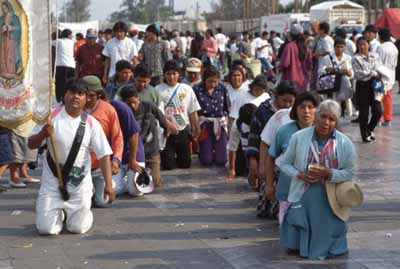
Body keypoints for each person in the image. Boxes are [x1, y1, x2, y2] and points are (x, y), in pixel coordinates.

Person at [28, 79, 115, 235]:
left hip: (80, 183)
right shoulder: (50, 117)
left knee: (77, 228)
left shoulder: (91, 123)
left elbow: (104, 155)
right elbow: (31, 144)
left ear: (86, 98)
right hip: (52, 184)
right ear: (64, 95)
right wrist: (42, 134)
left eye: (80, 94)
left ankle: (83, 213)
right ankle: (57, 213)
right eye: (72, 92)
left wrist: (109, 185)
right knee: (47, 229)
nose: (76, 97)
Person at [277, 100, 357, 260]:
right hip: (304, 191)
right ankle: (302, 248)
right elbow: (284, 163)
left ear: (336, 121)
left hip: (331, 196)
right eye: (323, 117)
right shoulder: (299, 137)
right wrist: (299, 175)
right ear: (316, 116)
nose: (326, 122)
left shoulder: (344, 143)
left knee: (329, 226)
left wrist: (329, 173)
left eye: (332, 119)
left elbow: (349, 172)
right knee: (300, 220)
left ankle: (327, 249)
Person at [262, 92, 319, 220]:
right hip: (288, 190)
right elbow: (271, 158)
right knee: (288, 232)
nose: (306, 111)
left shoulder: (324, 132)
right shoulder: (284, 131)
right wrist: (269, 184)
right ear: (295, 110)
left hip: (316, 193)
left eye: (310, 107)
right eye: (302, 107)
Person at [247, 81, 297, 192]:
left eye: (291, 102)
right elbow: (255, 137)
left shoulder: (296, 113)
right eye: (284, 101)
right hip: (266, 157)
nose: (287, 105)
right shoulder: (263, 110)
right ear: (276, 96)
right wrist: (255, 162)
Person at [82, 76, 123, 208]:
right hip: (79, 167)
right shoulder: (73, 109)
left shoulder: (108, 110)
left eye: (91, 96)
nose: (87, 99)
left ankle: (118, 183)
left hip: (99, 167)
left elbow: (117, 137)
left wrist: (116, 160)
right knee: (81, 204)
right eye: (84, 95)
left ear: (99, 94)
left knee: (102, 202)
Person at [119, 85, 169, 188]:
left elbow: (162, 119)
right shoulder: (122, 113)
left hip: (151, 150)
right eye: (129, 104)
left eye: (134, 102)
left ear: (138, 98)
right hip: (134, 153)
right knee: (135, 184)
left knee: (154, 182)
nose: (132, 106)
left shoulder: (149, 106)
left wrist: (166, 130)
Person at [156, 60, 201, 170]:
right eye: (168, 74)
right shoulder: (157, 90)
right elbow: (157, 113)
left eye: (174, 73)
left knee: (185, 164)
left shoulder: (186, 89)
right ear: (164, 75)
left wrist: (196, 129)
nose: (171, 77)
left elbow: (192, 111)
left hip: (183, 130)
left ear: (179, 74)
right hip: (166, 132)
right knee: (168, 166)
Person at [194, 66, 230, 166]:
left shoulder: (222, 88)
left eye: (215, 81)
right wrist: (196, 129)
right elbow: (194, 111)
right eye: (210, 81)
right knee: (206, 161)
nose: (213, 84)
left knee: (221, 161)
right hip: (204, 124)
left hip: (219, 124)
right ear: (204, 80)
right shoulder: (197, 89)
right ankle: (205, 152)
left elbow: (227, 108)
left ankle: (217, 152)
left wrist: (228, 127)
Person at [351, 37, 383, 142]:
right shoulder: (355, 58)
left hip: (374, 85)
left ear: (368, 45)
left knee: (378, 110)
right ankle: (364, 136)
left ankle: (369, 129)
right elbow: (360, 74)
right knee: (364, 113)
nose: (362, 47)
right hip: (362, 86)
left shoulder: (375, 56)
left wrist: (374, 72)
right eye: (359, 45)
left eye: (364, 44)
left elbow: (379, 67)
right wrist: (373, 73)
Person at [318, 38, 354, 114]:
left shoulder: (348, 58)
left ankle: (348, 114)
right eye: (337, 47)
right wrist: (328, 70)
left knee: (347, 100)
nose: (339, 49)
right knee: (334, 103)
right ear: (334, 47)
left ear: (344, 47)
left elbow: (352, 73)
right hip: (333, 84)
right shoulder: (327, 58)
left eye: (341, 47)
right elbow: (320, 71)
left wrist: (348, 72)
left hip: (345, 84)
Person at [279, 24, 313, 93]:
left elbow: (285, 64)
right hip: (303, 81)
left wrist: (279, 68)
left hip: (290, 81)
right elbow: (310, 65)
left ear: (291, 34)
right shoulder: (307, 48)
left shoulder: (289, 46)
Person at [376, 28, 398, 127]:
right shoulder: (394, 47)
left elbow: (378, 63)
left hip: (382, 75)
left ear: (380, 36)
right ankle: (388, 118)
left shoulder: (381, 48)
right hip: (391, 75)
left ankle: (378, 119)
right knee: (388, 98)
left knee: (378, 98)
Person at [0, 1, 21, 79]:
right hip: (3, 39)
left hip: (11, 39)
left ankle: (11, 72)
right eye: (2, 8)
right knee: (3, 55)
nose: (4, 10)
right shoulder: (1, 18)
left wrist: (11, 28)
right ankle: (4, 71)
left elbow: (18, 28)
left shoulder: (15, 17)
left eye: (5, 8)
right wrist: (2, 29)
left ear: (9, 7)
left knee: (10, 55)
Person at [55, 29, 75, 102]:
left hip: (61, 65)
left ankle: (59, 98)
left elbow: (49, 43)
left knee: (60, 83)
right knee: (69, 84)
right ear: (68, 35)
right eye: (71, 35)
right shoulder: (72, 42)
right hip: (71, 66)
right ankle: (67, 98)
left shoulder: (58, 41)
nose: (72, 36)